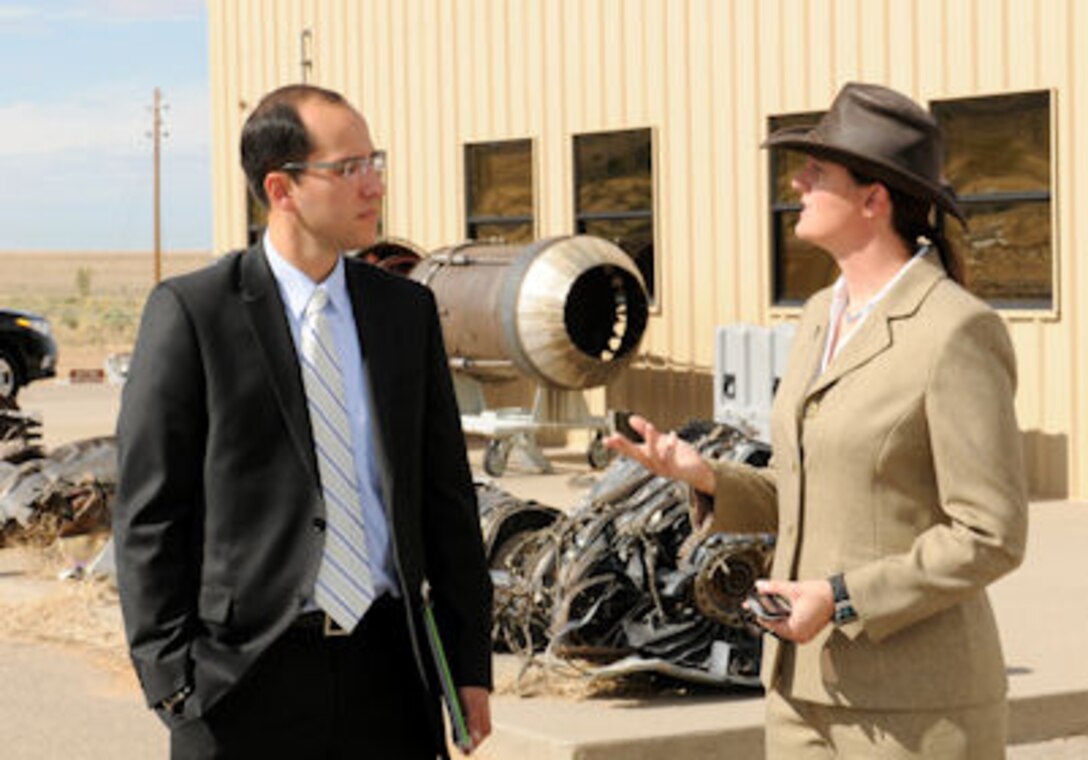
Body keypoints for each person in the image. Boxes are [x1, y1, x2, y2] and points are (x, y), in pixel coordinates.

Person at [607, 82, 1027, 759]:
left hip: (915, 711)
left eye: (818, 170)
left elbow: (991, 533)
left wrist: (842, 598)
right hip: (800, 694)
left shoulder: (955, 332)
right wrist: (705, 476)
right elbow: (818, 493)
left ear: (873, 199)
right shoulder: (815, 318)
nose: (797, 180)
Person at [113, 83, 493, 759]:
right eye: (349, 168)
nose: (373, 184)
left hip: (389, 674)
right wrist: (174, 685)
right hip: (244, 683)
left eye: (374, 162)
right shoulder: (194, 314)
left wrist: (467, 665)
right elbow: (149, 515)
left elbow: (446, 499)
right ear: (281, 189)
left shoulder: (404, 313)